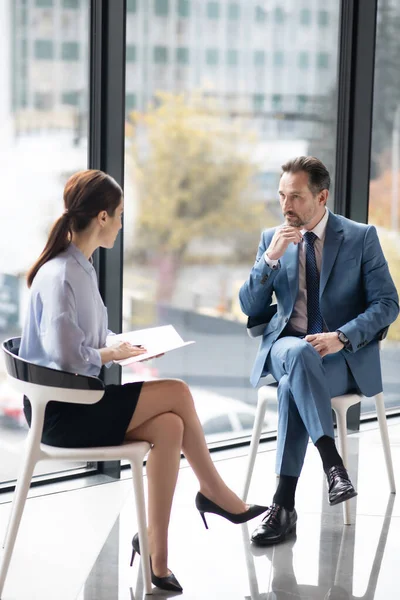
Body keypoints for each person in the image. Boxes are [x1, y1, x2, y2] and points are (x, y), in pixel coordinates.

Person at [20, 169, 267, 592]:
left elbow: (86, 340)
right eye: (118, 215)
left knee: (171, 425)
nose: (121, 223)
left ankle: (158, 554)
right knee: (178, 392)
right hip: (63, 412)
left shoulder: (79, 266)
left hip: (78, 401)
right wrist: (110, 354)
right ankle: (214, 491)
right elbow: (66, 355)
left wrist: (124, 345)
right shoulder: (63, 274)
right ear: (101, 217)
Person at [239, 156, 399, 547]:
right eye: (281, 195)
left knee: (294, 385)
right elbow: (250, 307)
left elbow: (387, 303)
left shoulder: (360, 237)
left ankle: (284, 506)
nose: (285, 205)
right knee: (296, 357)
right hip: (286, 346)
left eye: (295, 196)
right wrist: (270, 259)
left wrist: (340, 337)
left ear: (322, 196)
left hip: (339, 359)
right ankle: (333, 464)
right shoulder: (271, 239)